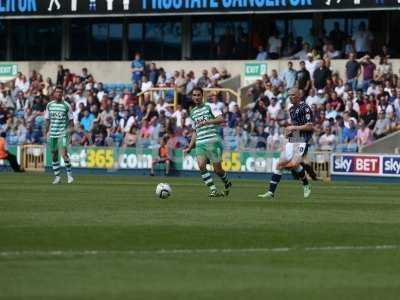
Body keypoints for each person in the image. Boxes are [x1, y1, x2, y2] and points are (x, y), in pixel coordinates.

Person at [258, 88, 314, 199]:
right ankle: (271, 192)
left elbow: (309, 126)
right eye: (289, 95)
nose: (290, 97)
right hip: (293, 139)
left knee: (293, 165)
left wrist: (294, 127)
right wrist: (289, 132)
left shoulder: (306, 108)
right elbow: (294, 125)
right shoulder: (292, 109)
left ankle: (306, 185)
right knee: (279, 164)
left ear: (298, 95)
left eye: (293, 95)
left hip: (303, 139)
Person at [183, 87, 232, 198]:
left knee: (217, 170)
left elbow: (221, 119)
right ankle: (213, 190)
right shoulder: (193, 112)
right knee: (201, 165)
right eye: (194, 95)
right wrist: (190, 147)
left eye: (198, 95)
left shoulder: (211, 106)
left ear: (202, 96)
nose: (196, 97)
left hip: (213, 140)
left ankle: (227, 183)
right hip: (200, 142)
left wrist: (207, 122)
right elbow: (195, 131)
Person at [45, 86, 74, 184]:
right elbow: (47, 119)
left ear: (62, 94)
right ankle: (57, 177)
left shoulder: (67, 106)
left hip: (63, 134)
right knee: (54, 155)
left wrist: (70, 135)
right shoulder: (49, 105)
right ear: (54, 94)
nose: (59, 94)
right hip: (53, 134)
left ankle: (69, 175)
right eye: (57, 92)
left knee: (64, 154)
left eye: (60, 92)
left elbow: (71, 121)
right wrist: (46, 133)